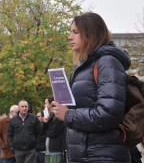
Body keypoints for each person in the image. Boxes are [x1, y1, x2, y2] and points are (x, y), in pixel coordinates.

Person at [52, 12, 131, 162]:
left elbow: (108, 114)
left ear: (90, 34)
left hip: (102, 156)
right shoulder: (85, 65)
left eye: (75, 32)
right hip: (86, 154)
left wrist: (68, 115)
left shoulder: (107, 62)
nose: (69, 37)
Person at [42, 96, 66, 163]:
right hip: (47, 151)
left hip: (55, 151)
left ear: (51, 104)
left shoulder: (59, 116)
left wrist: (46, 133)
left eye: (46, 103)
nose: (45, 105)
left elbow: (52, 133)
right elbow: (42, 131)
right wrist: (44, 122)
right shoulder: (50, 116)